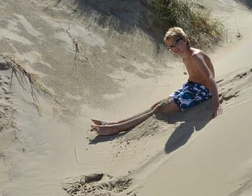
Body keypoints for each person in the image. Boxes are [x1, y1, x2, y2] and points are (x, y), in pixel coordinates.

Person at [90, 27, 222, 136]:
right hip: (191, 87)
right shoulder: (185, 57)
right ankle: (116, 123)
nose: (174, 48)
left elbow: (210, 78)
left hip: (204, 91)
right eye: (170, 46)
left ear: (185, 39)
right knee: (156, 105)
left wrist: (216, 106)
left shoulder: (195, 56)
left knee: (160, 109)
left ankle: (118, 128)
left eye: (176, 43)